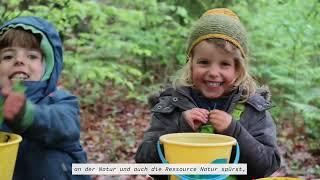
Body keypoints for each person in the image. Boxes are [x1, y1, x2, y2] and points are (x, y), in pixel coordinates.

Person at [135, 8, 281, 179]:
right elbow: (145, 160)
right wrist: (181, 127)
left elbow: (266, 166)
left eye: (224, 64)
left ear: (238, 69)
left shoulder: (252, 109)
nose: (213, 72)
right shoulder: (172, 106)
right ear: (190, 64)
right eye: (204, 62)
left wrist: (234, 131)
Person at [0, 16, 90, 180]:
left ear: (46, 66)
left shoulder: (61, 101)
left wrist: (26, 115)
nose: (19, 60)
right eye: (7, 56)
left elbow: (63, 125)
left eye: (32, 56)